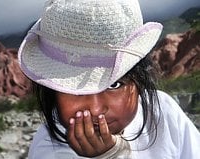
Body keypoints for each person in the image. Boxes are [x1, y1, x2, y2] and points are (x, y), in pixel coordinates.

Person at [18, 0, 200, 158]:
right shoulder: (48, 148)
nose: (97, 109)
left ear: (139, 81)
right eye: (76, 89)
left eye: (115, 84)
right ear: (51, 92)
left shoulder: (162, 112)